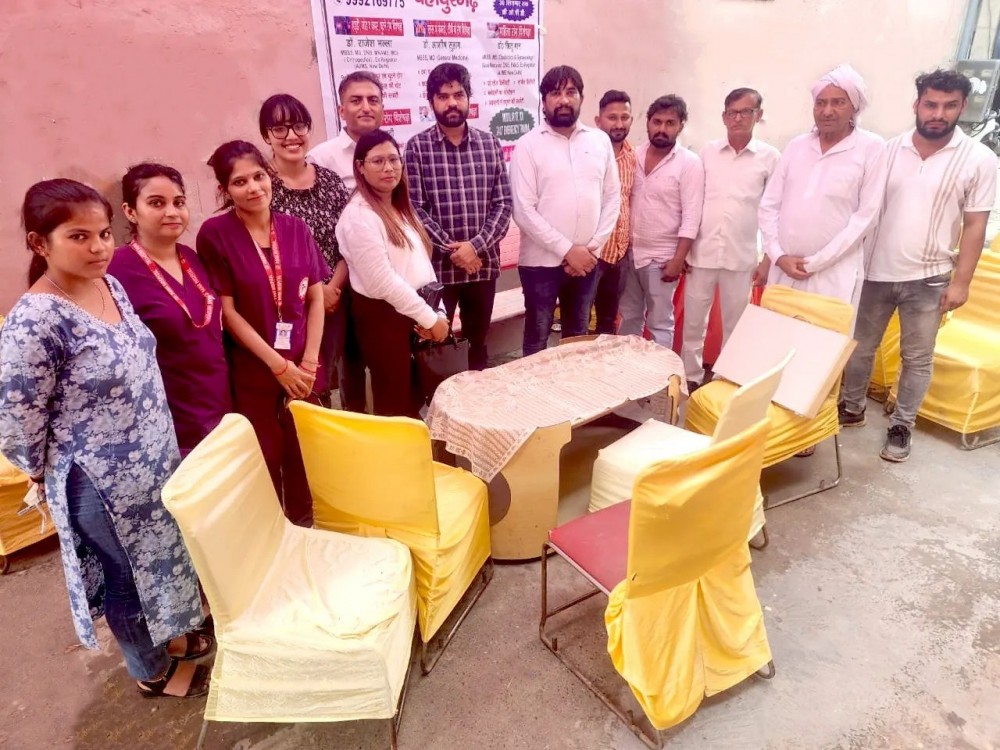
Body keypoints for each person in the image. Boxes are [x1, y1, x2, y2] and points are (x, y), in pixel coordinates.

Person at [0, 179, 210, 699]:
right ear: (39, 243)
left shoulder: (108, 285)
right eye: (79, 236)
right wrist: (40, 471)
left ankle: (172, 634)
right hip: (99, 482)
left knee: (162, 557)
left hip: (153, 461)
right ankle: (150, 670)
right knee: (126, 576)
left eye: (103, 234)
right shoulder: (35, 321)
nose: (98, 247)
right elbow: (16, 418)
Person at [839, 69, 996, 462]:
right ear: (917, 105)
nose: (938, 114)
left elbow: (975, 225)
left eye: (949, 106)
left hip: (930, 279)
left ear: (962, 107)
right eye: (931, 104)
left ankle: (901, 425)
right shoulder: (887, 151)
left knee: (917, 358)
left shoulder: (979, 159)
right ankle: (851, 407)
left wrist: (961, 283)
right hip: (874, 272)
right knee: (859, 348)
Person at [196, 141, 328, 525]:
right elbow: (228, 311)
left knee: (306, 454)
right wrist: (277, 365)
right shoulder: (215, 234)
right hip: (255, 370)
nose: (254, 188)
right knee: (264, 458)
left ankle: (305, 528)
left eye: (259, 177)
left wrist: (308, 361)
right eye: (240, 182)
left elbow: (316, 298)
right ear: (224, 189)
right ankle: (270, 536)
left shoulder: (296, 228)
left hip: (303, 367)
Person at [109, 163, 231, 456]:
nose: (172, 212)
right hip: (167, 416)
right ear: (130, 211)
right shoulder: (116, 270)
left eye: (178, 202)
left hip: (217, 402)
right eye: (156, 203)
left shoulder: (192, 258)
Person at [404, 62, 513, 370]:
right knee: (434, 346)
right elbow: (414, 209)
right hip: (438, 272)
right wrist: (456, 252)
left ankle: (478, 395)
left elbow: (503, 204)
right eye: (443, 96)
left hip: (482, 267)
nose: (451, 102)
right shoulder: (417, 148)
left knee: (479, 343)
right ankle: (440, 397)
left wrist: (474, 247)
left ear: (468, 98)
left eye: (458, 95)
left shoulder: (489, 144)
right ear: (431, 102)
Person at [337, 130, 450, 417]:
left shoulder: (400, 208)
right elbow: (382, 282)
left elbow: (422, 265)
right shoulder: (359, 216)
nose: (388, 168)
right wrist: (429, 318)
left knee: (417, 402)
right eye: (378, 161)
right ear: (360, 167)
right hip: (384, 321)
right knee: (395, 408)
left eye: (393, 159)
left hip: (415, 316)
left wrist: (439, 314)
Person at [510, 65, 621, 355]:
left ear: (581, 97)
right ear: (544, 100)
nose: (563, 100)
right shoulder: (528, 145)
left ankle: (572, 387)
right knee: (537, 339)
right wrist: (567, 250)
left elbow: (612, 197)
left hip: (587, 262)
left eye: (571, 92)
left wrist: (592, 249)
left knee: (577, 338)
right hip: (539, 265)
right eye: (555, 93)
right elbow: (523, 210)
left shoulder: (599, 141)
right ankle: (536, 386)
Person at [758, 64, 887, 310]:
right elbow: (769, 205)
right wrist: (778, 255)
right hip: (783, 271)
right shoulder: (797, 146)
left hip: (833, 276)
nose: (827, 111)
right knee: (775, 332)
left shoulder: (871, 147)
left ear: (854, 107)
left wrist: (816, 262)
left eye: (838, 102)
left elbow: (866, 217)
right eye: (821, 103)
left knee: (821, 334)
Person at [681, 88, 780, 389]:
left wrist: (767, 259)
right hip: (702, 253)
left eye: (745, 112)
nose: (737, 118)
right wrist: (683, 249)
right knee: (693, 322)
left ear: (758, 116)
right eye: (732, 113)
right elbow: (691, 201)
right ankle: (690, 377)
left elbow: (775, 211)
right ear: (723, 117)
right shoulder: (707, 153)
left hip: (741, 256)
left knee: (736, 324)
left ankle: (724, 379)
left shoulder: (770, 158)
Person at [260, 94, 351, 403]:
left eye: (299, 126)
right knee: (292, 387)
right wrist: (315, 292)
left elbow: (347, 241)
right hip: (284, 306)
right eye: (280, 128)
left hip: (334, 298)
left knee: (325, 380)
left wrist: (331, 288)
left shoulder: (329, 181)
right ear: (266, 136)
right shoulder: (261, 186)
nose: (291, 136)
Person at [309, 71, 386, 412]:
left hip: (384, 274)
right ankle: (355, 424)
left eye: (373, 100)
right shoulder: (321, 158)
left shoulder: (391, 152)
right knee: (349, 363)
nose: (366, 107)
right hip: (340, 282)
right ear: (341, 110)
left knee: (386, 358)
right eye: (356, 100)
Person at [619, 95, 704, 349]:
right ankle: (628, 367)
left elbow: (692, 215)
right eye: (657, 122)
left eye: (670, 123)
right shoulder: (633, 155)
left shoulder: (689, 163)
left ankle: (660, 372)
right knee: (629, 317)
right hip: (629, 254)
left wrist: (678, 260)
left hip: (662, 259)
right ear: (648, 122)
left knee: (660, 323)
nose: (662, 129)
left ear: (681, 126)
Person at [590, 89, 637, 334]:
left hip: (619, 255)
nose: (619, 124)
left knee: (608, 322)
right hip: (592, 254)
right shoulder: (588, 155)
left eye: (624, 117)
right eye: (612, 117)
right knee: (579, 320)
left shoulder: (632, 157)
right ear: (598, 121)